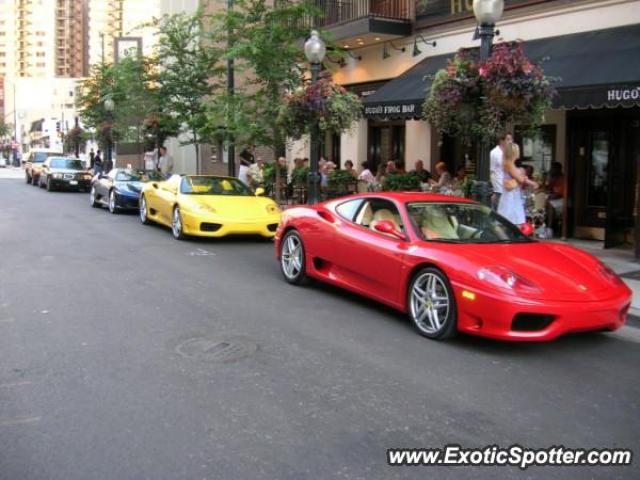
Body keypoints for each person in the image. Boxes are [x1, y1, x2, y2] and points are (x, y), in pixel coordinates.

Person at [498, 143, 539, 227]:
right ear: (514, 152)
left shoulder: (508, 163)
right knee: (512, 223)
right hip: (511, 196)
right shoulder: (509, 164)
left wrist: (522, 174)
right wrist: (532, 183)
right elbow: (520, 179)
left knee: (511, 223)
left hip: (512, 195)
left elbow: (520, 178)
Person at [490, 132, 513, 210]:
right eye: (508, 139)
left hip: (508, 189)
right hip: (499, 190)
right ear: (502, 141)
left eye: (511, 139)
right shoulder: (494, 153)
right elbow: (491, 172)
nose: (510, 141)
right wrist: (495, 190)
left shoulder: (509, 153)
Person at [546, 161, 565, 230]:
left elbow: (560, 193)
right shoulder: (554, 178)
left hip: (562, 199)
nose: (551, 170)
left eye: (552, 168)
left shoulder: (562, 178)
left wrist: (550, 197)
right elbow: (548, 189)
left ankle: (549, 228)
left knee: (550, 204)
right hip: (555, 198)